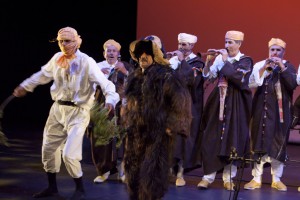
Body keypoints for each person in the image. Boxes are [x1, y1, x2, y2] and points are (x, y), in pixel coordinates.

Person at [13, 27, 120, 199]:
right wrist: (25, 86)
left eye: (67, 41)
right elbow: (42, 75)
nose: (63, 44)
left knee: (69, 153)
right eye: (61, 41)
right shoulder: (57, 58)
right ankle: (52, 188)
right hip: (57, 109)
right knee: (48, 149)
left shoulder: (87, 61)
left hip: (79, 111)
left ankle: (80, 189)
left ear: (77, 41)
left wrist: (110, 100)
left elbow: (106, 84)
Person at [121, 39, 192, 200]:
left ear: (155, 56)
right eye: (140, 55)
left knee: (152, 174)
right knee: (134, 172)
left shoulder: (166, 75)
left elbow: (181, 101)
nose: (143, 58)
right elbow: (129, 102)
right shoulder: (135, 76)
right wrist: (127, 120)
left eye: (147, 54)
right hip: (136, 132)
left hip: (157, 132)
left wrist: (172, 125)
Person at [195, 30, 253, 190]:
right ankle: (208, 177)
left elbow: (239, 79)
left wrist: (226, 60)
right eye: (226, 42)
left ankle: (229, 178)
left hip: (236, 102)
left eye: (231, 42)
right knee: (211, 137)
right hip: (217, 101)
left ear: (239, 44)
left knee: (233, 138)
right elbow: (210, 77)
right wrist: (208, 63)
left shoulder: (246, 60)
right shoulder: (220, 58)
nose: (227, 45)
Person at [244, 38, 297, 191]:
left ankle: (276, 179)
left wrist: (281, 67)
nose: (275, 53)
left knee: (277, 144)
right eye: (272, 50)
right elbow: (251, 83)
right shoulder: (260, 65)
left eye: (278, 50)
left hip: (281, 114)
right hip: (261, 110)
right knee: (259, 143)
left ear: (283, 52)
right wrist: (264, 69)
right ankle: (256, 178)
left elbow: (292, 84)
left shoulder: (288, 66)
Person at [89, 39, 133, 184]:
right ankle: (104, 171)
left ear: (118, 53)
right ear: (104, 53)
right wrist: (97, 75)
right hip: (103, 105)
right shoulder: (97, 66)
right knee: (102, 137)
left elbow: (135, 84)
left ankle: (123, 170)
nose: (111, 53)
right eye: (109, 50)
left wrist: (125, 72)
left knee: (123, 138)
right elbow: (86, 85)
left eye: (114, 51)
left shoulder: (125, 65)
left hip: (123, 106)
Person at [166, 33, 205, 187]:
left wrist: (182, 61)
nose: (181, 47)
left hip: (189, 107)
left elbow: (190, 80)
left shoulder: (198, 63)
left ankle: (181, 173)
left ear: (192, 46)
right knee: (169, 138)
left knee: (183, 140)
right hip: (172, 106)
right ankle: (169, 171)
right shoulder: (172, 61)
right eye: (180, 44)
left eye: (184, 45)